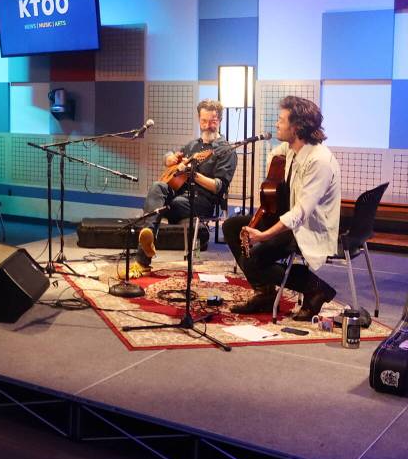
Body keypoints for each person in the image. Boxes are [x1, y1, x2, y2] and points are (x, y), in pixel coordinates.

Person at [223, 96, 341, 320]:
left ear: (296, 127)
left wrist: (264, 235)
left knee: (253, 257)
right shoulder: (293, 149)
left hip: (309, 228)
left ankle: (316, 287)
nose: (276, 124)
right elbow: (275, 154)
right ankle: (265, 293)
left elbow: (301, 212)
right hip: (290, 221)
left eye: (281, 120)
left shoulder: (319, 161)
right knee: (232, 226)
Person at [127, 99, 236, 277]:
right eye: (204, 121)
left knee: (161, 206)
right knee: (157, 187)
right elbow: (171, 156)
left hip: (203, 201)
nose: (208, 125)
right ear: (199, 120)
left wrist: (193, 175)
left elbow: (218, 187)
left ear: (220, 120)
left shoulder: (226, 151)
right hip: (179, 194)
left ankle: (142, 259)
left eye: (213, 121)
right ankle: (147, 240)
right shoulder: (193, 145)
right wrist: (168, 158)